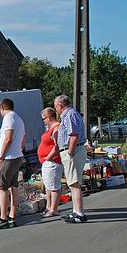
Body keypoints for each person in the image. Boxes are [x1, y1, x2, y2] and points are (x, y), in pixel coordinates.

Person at [0, 99, 25, 230]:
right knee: (13, 185)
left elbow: (8, 138)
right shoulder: (19, 119)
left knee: (2, 188)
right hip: (17, 155)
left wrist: (1, 156)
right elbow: (23, 140)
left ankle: (3, 217)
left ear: (2, 108)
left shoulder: (8, 119)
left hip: (8, 157)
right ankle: (12, 215)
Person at [54, 95, 88, 223]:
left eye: (56, 106)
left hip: (73, 150)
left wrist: (69, 152)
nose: (56, 109)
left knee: (74, 183)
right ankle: (75, 210)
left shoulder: (69, 115)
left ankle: (79, 213)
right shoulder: (70, 114)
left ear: (60, 105)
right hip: (74, 150)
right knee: (72, 182)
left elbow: (73, 135)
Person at [38, 107, 63, 218]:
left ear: (49, 117)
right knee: (49, 186)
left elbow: (57, 145)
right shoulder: (51, 128)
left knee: (54, 186)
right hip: (47, 161)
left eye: (44, 118)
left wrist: (48, 157)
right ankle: (49, 206)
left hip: (52, 161)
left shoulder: (56, 128)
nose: (44, 121)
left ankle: (53, 209)